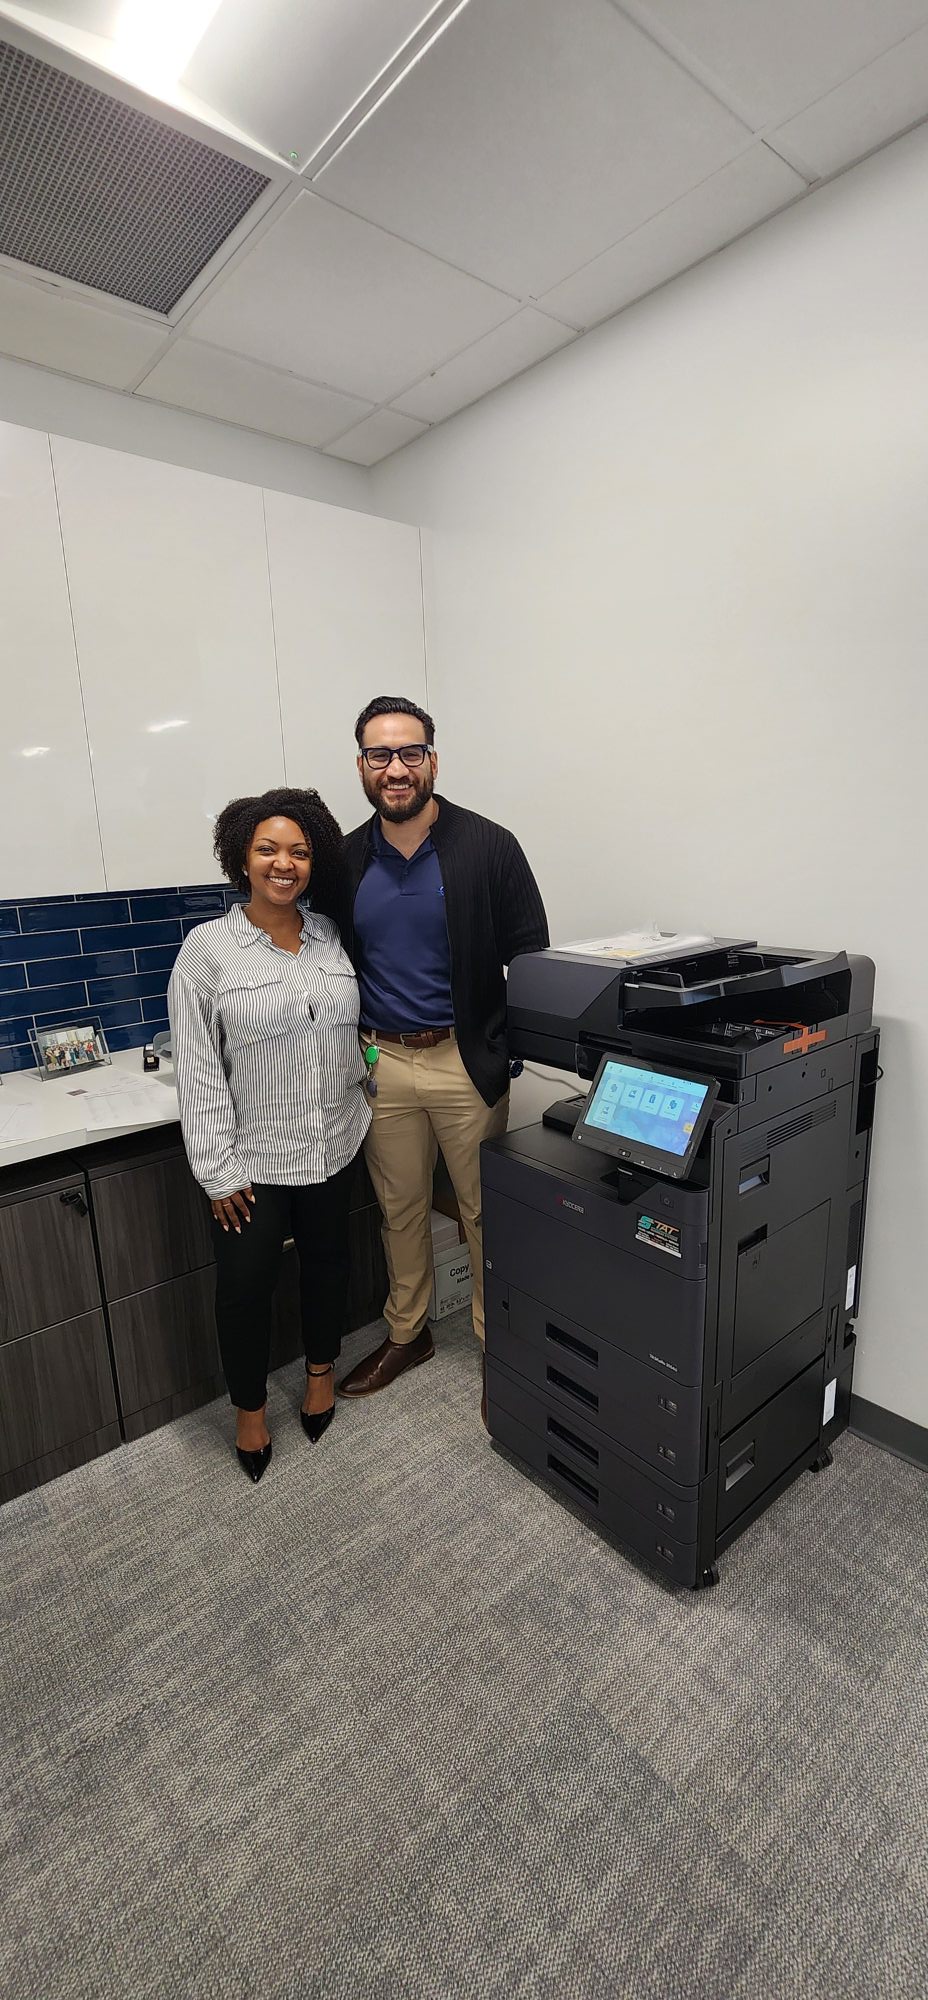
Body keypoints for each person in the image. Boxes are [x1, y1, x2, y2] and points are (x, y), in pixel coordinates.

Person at [336, 696, 549, 1422]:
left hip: (463, 1061)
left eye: (409, 753)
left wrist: (506, 1048)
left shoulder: (489, 845)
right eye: (379, 756)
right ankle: (408, 1334)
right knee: (398, 1210)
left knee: (484, 1213)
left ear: (432, 758)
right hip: (383, 1064)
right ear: (362, 766)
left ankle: (499, 1348)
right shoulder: (344, 857)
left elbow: (533, 958)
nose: (395, 769)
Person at [167, 786, 370, 1483]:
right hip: (253, 1160)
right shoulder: (207, 951)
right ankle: (249, 1414)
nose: (284, 864)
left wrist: (365, 1085)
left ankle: (320, 1375)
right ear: (242, 858)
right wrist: (217, 1170)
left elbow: (345, 1033)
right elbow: (196, 1069)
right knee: (244, 1287)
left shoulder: (330, 938)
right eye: (268, 850)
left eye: (300, 852)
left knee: (327, 1264)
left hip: (334, 1141)